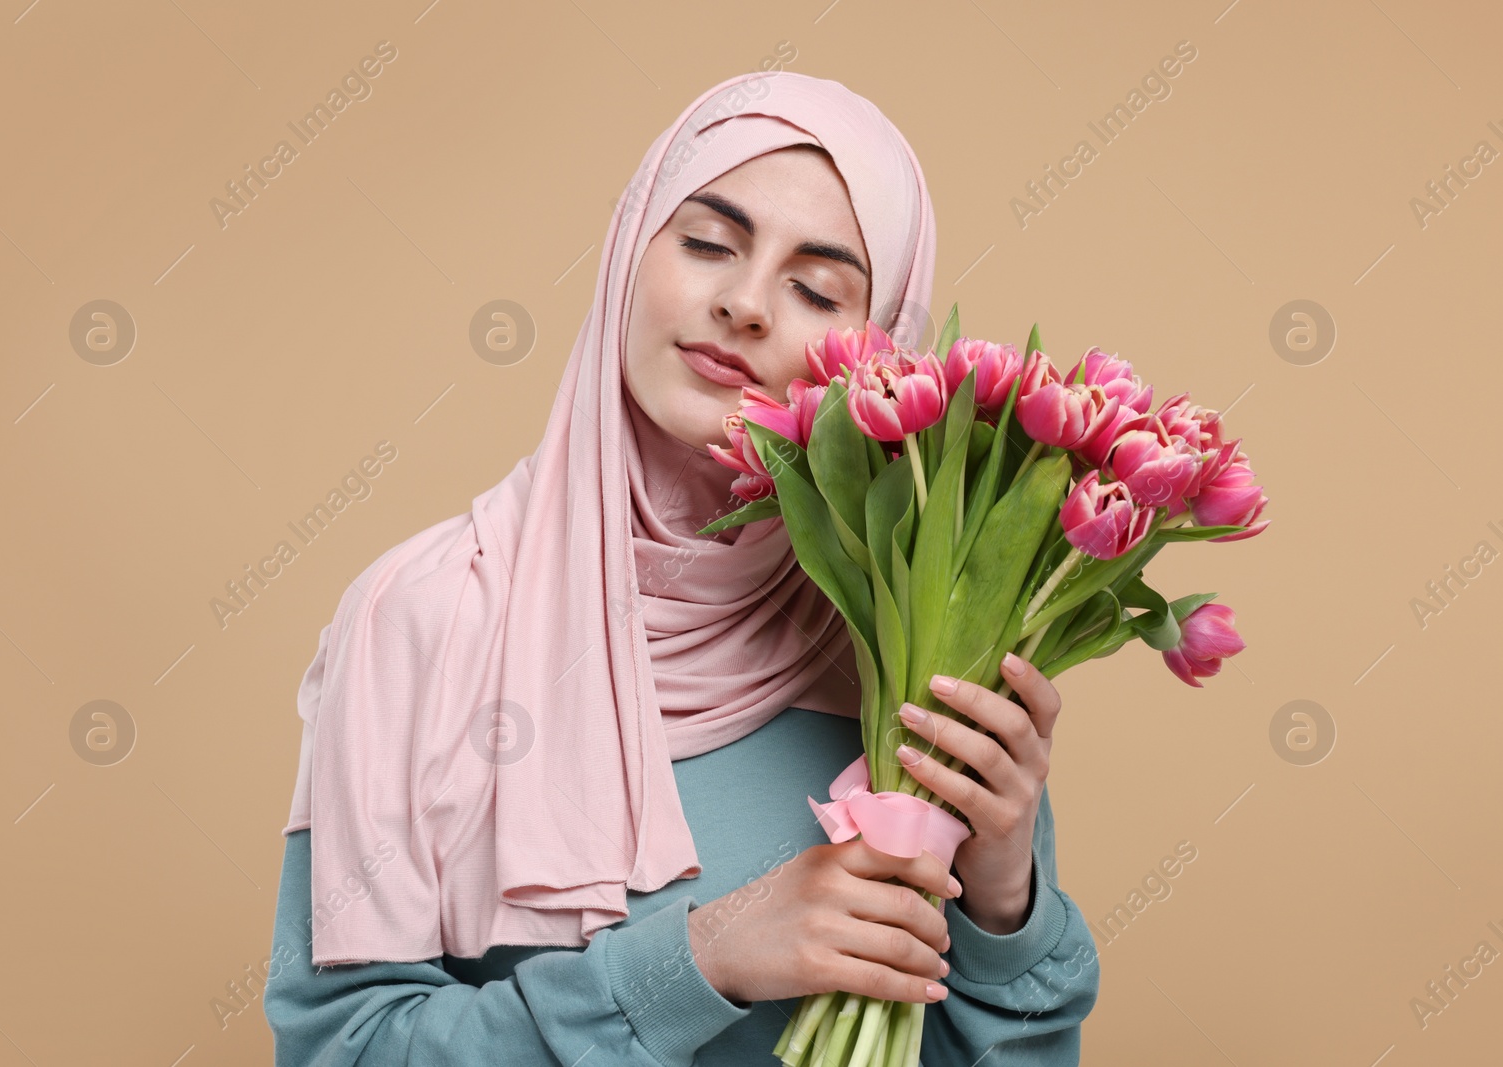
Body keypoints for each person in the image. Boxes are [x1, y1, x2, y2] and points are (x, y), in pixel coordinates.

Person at [263, 70, 1100, 1065]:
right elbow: (343, 1049)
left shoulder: (913, 630)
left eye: (816, 287)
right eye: (707, 242)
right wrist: (699, 959)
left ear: (885, 348)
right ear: (628, 253)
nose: (744, 303)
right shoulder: (427, 615)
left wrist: (1003, 897)